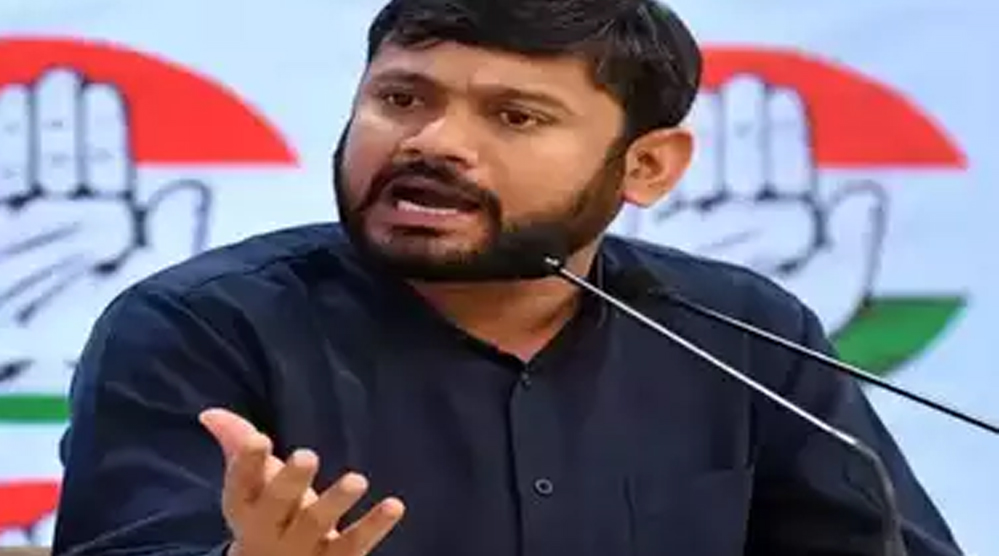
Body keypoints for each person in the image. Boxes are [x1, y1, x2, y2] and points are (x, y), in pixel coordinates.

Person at [51, 0, 964, 555]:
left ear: (646, 167)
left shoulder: (737, 331)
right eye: (400, 98)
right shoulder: (199, 328)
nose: (431, 142)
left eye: (514, 116)